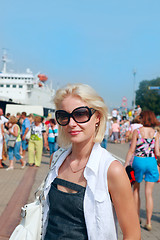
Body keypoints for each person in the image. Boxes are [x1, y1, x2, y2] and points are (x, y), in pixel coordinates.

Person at [42, 83, 141, 240]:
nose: (71, 123)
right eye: (63, 116)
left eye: (80, 114)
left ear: (98, 117)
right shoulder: (56, 160)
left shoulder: (112, 170)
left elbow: (133, 234)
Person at [124, 110, 160, 231]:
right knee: (149, 194)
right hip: (151, 161)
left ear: (142, 118)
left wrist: (125, 164)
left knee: (136, 190)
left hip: (138, 161)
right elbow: (158, 152)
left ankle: (136, 217)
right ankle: (149, 222)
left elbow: (131, 150)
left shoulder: (137, 131)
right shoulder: (156, 133)